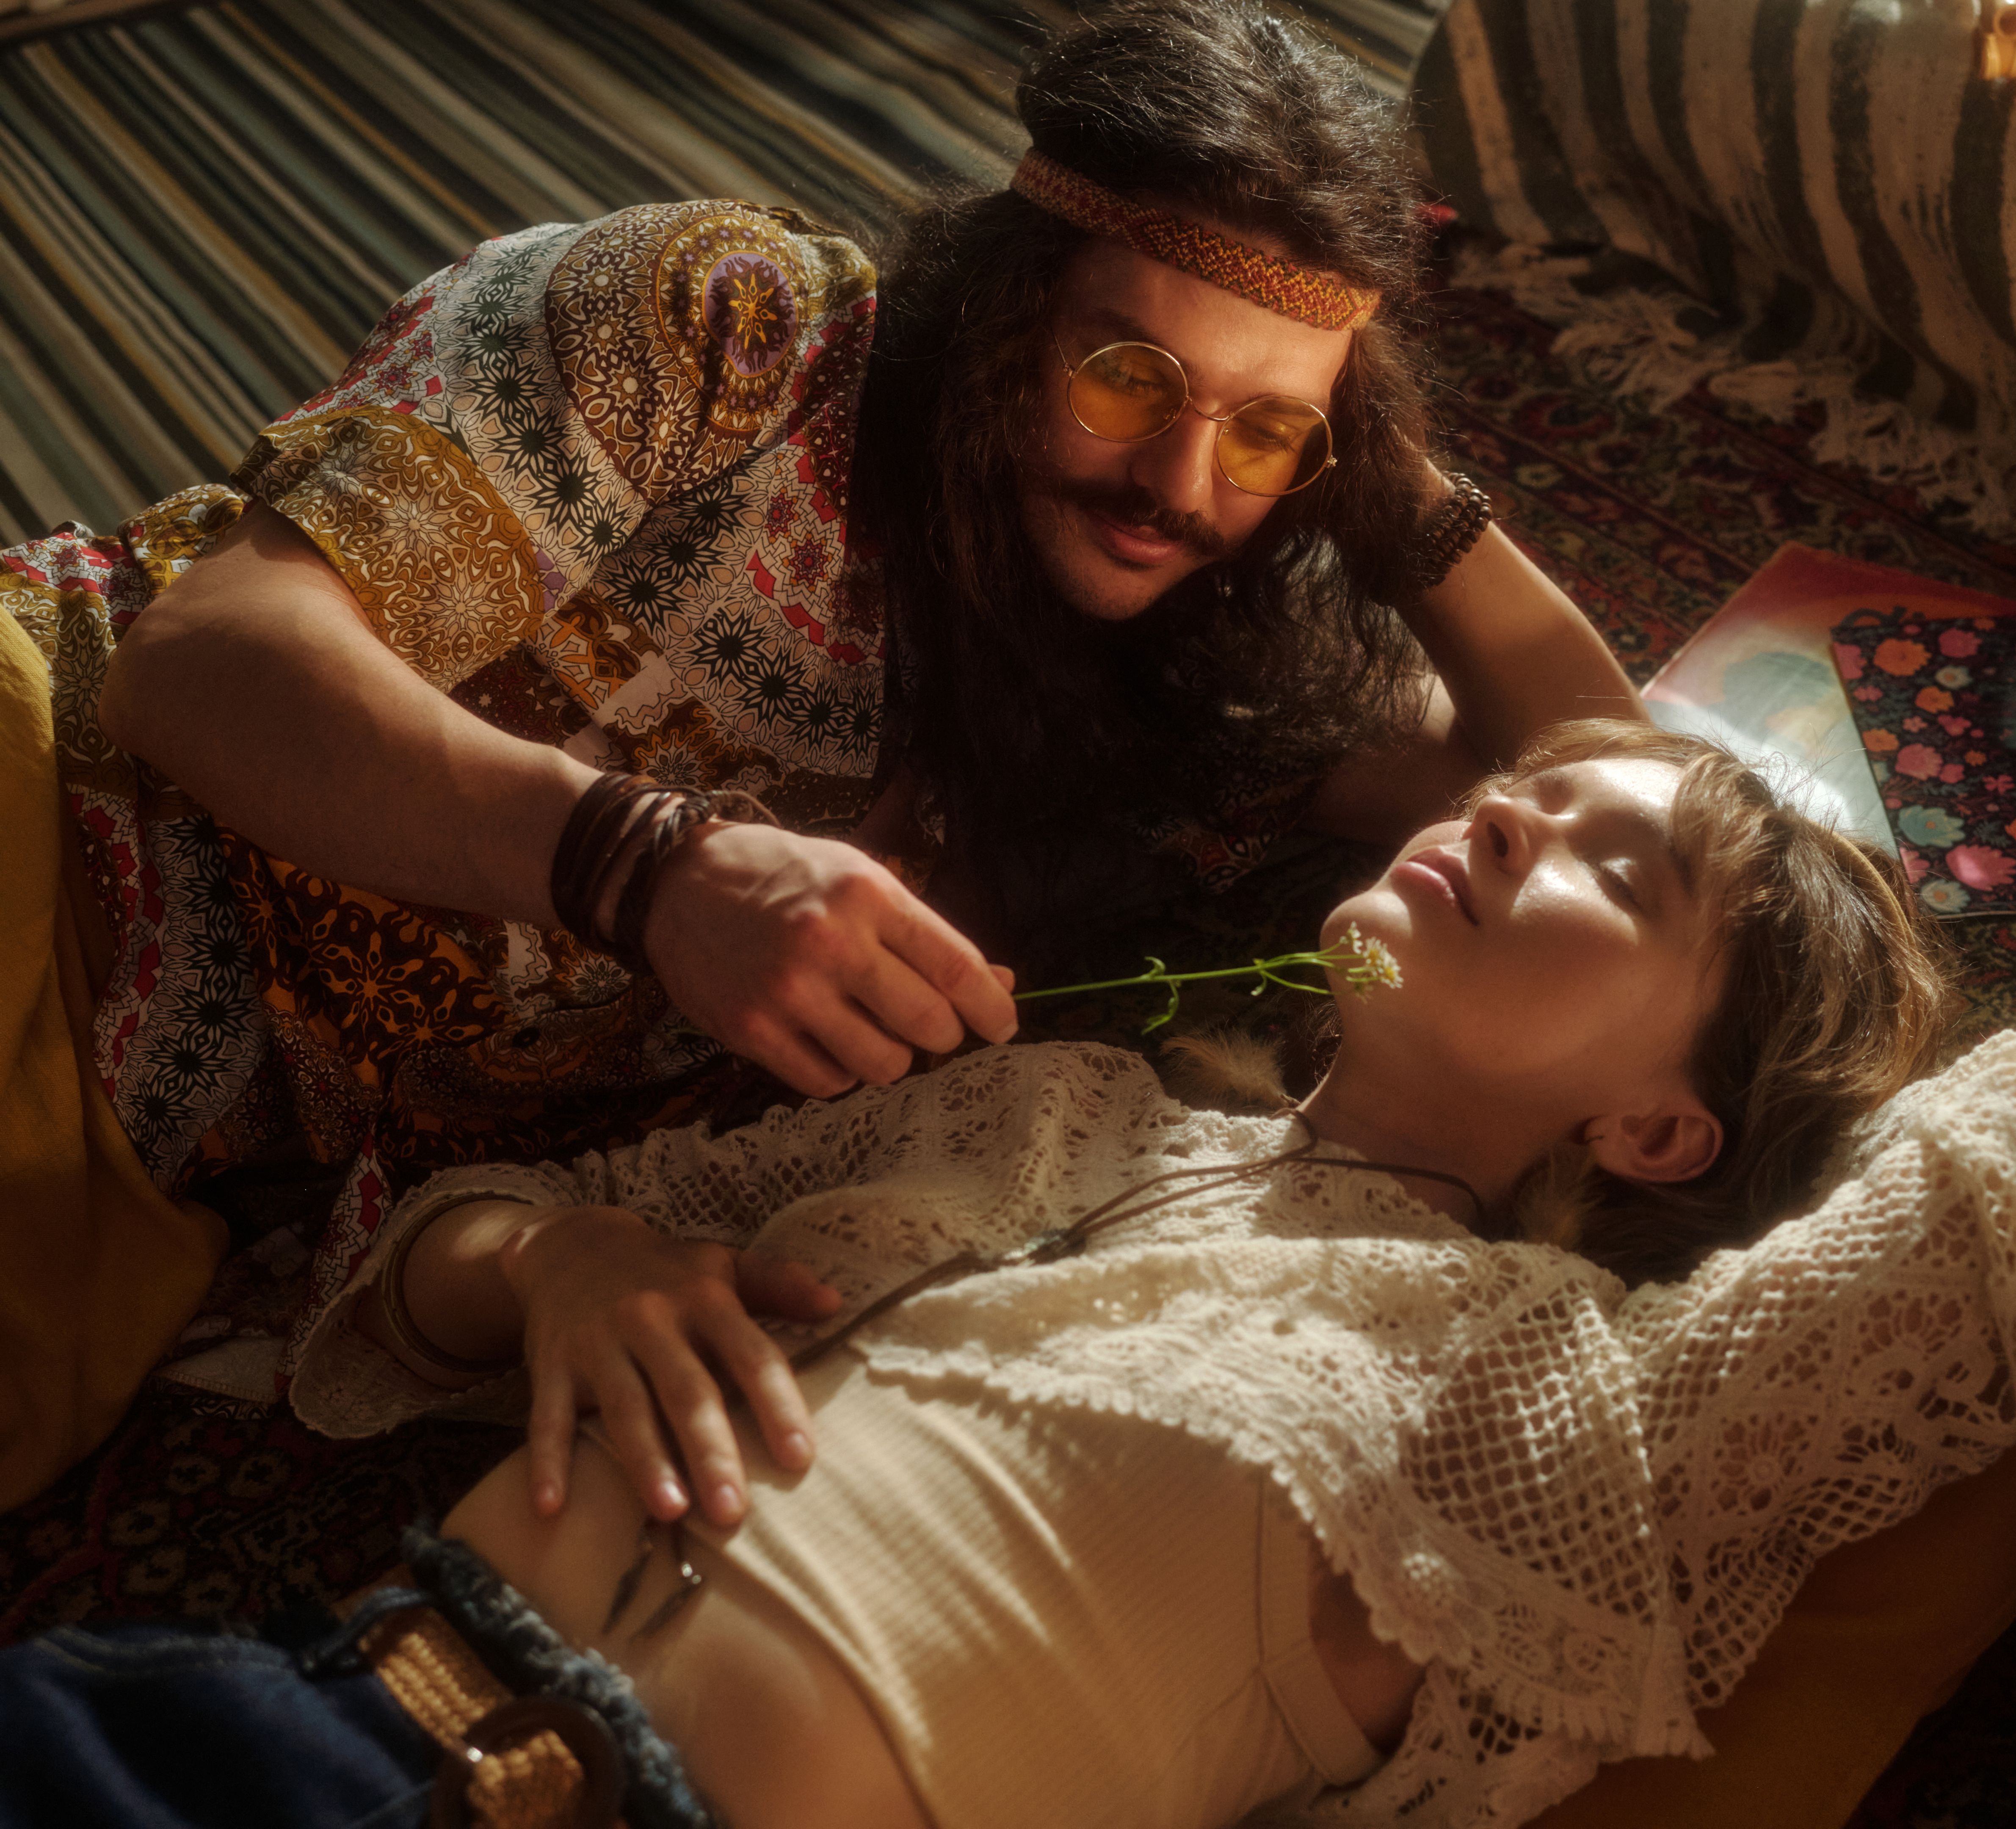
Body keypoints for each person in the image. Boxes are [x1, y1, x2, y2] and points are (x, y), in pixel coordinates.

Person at [0, 722, 2016, 1829]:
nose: (1522, 814)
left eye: (1615, 860)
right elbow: (397, 1279)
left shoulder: (1572, 1404)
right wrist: (570, 1255)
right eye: (1534, 780)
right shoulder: (1042, 1115)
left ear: (1659, 1129)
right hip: (246, 1712)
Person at [0, 0, 1641, 1506]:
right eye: (1129, 374)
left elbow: (1596, 776)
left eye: (1265, 428)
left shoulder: (1180, 678)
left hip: (132, 1195)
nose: (1181, 483)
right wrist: (648, 869)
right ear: (1004, 311)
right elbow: (201, 666)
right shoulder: (732, 332)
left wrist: (1390, 480)